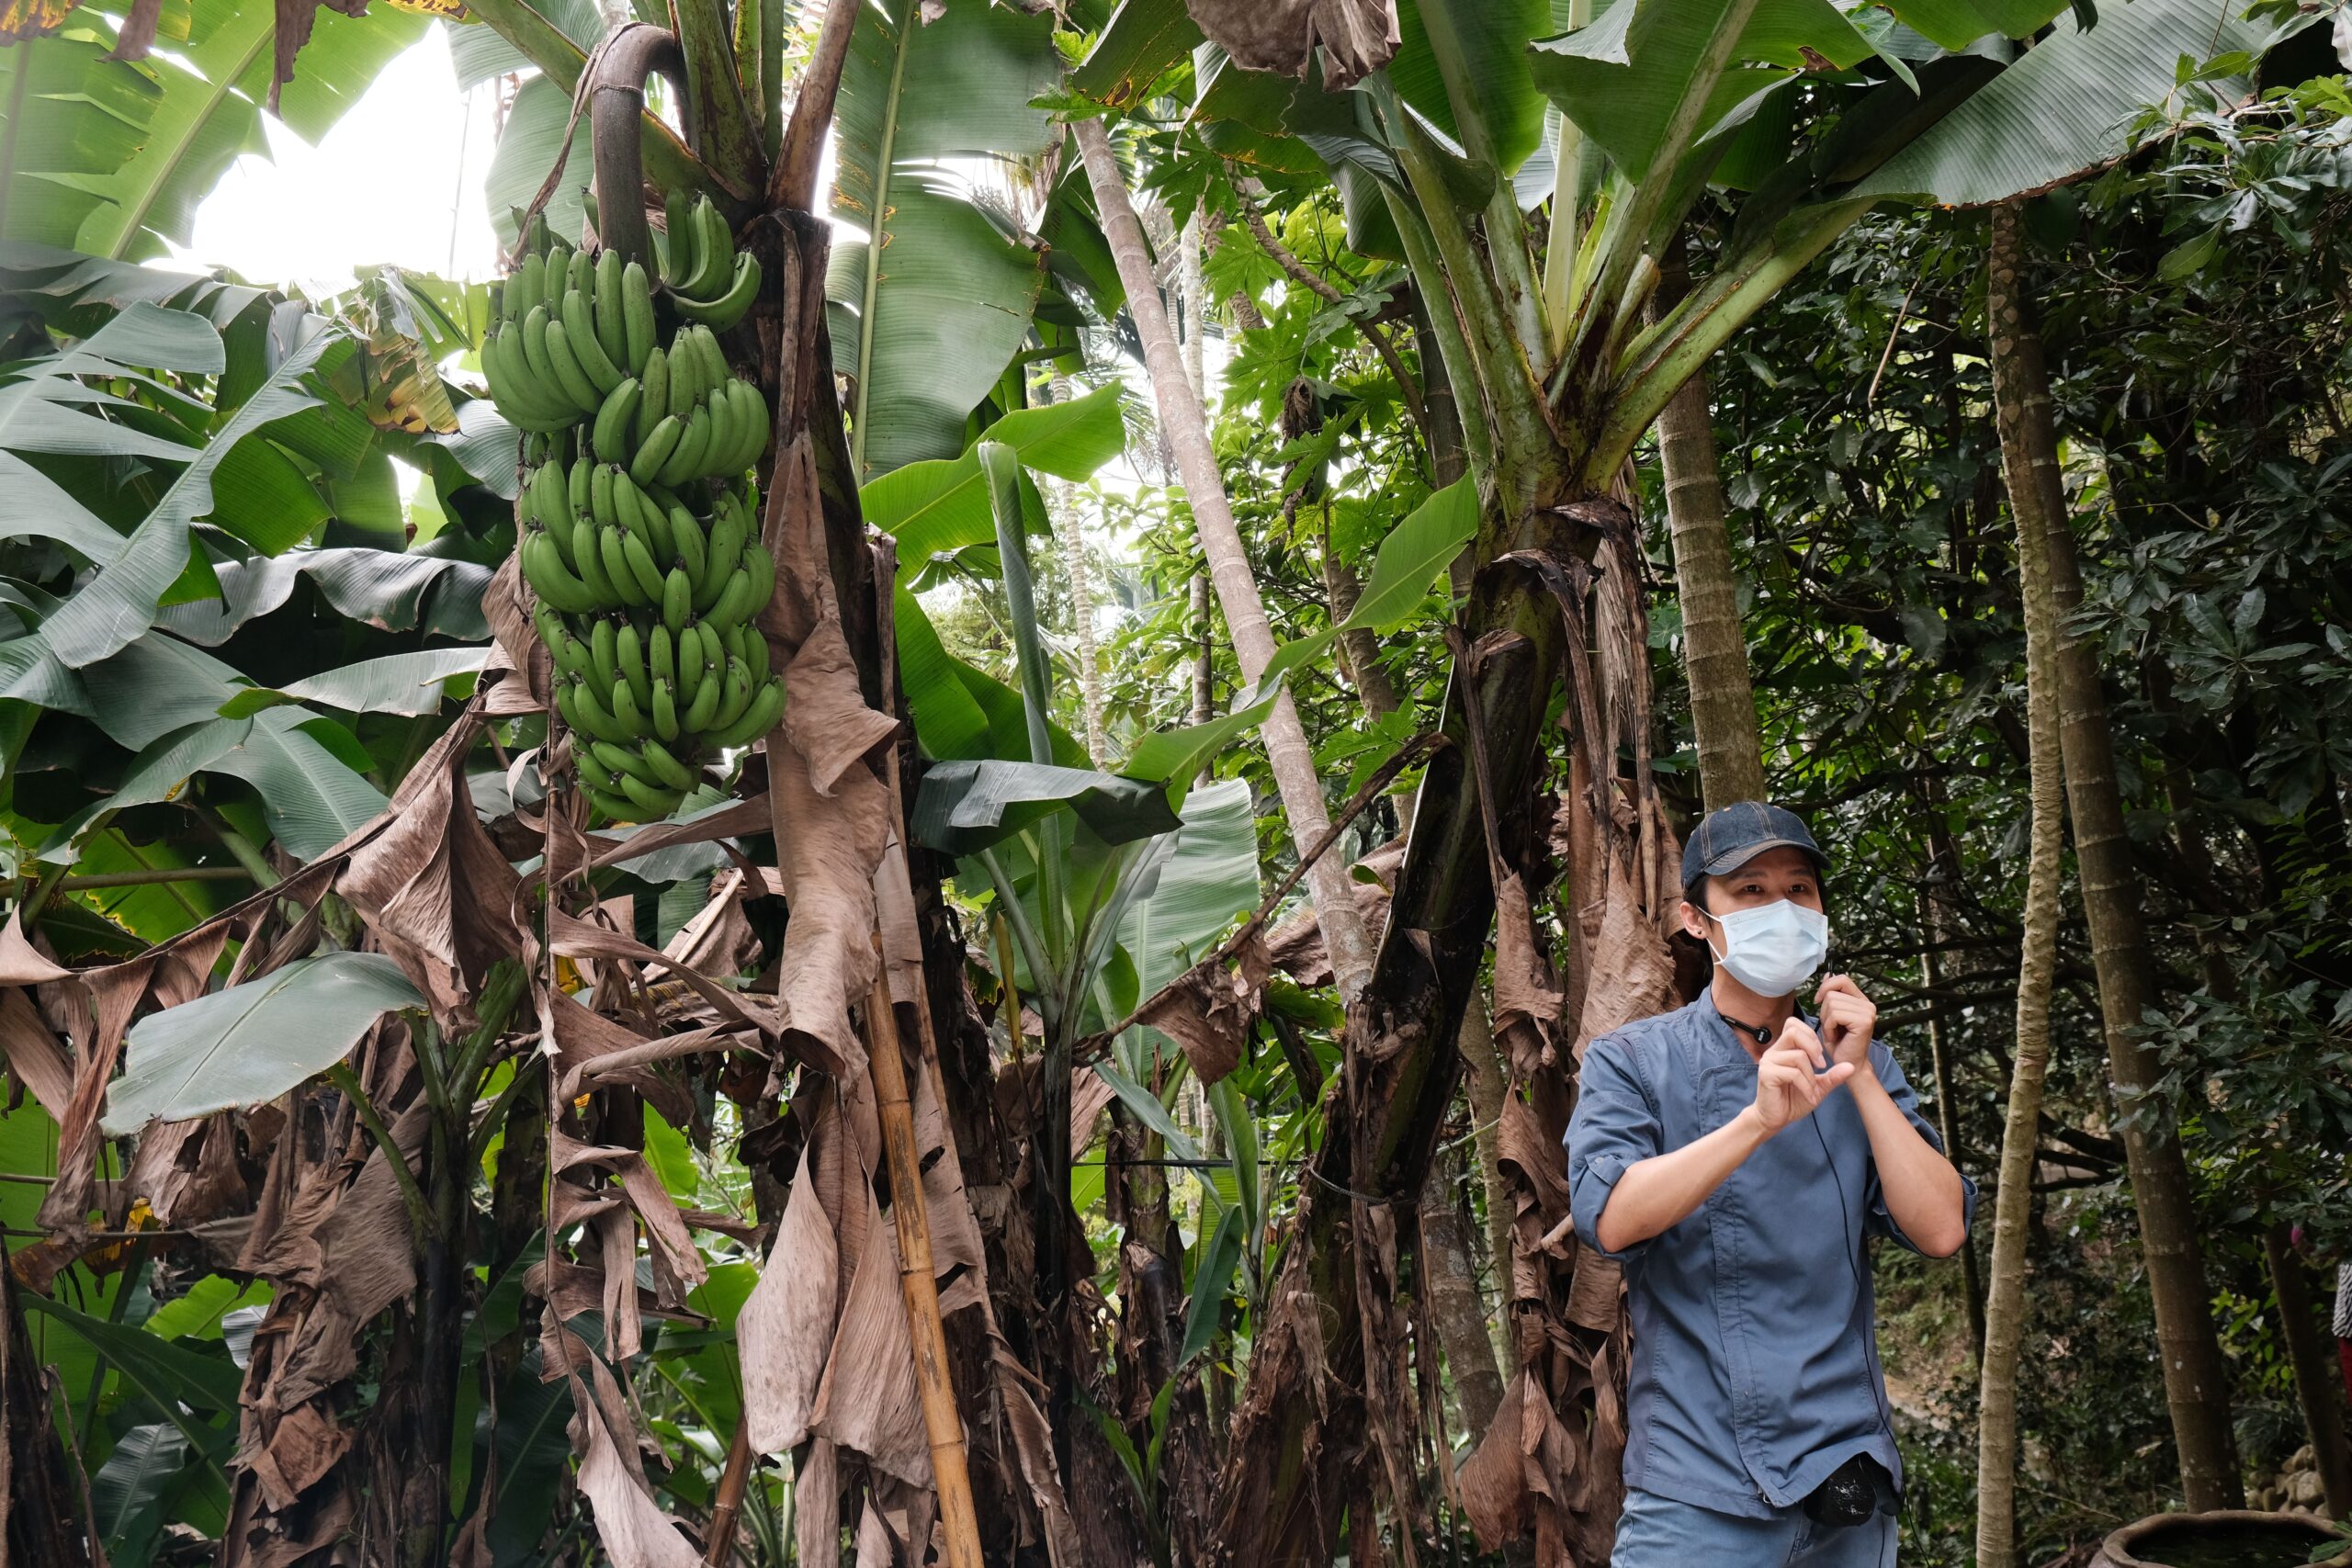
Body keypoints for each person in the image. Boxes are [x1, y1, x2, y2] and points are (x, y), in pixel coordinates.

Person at [1566, 801, 1976, 1567]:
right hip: (1699, 1493)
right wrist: (1755, 1121)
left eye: (1799, 889)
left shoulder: (1865, 1068)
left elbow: (1942, 1228)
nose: (1781, 908)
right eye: (1750, 891)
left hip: (1848, 1485)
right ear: (1697, 919)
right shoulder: (1633, 1061)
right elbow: (1612, 1217)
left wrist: (1856, 1072)